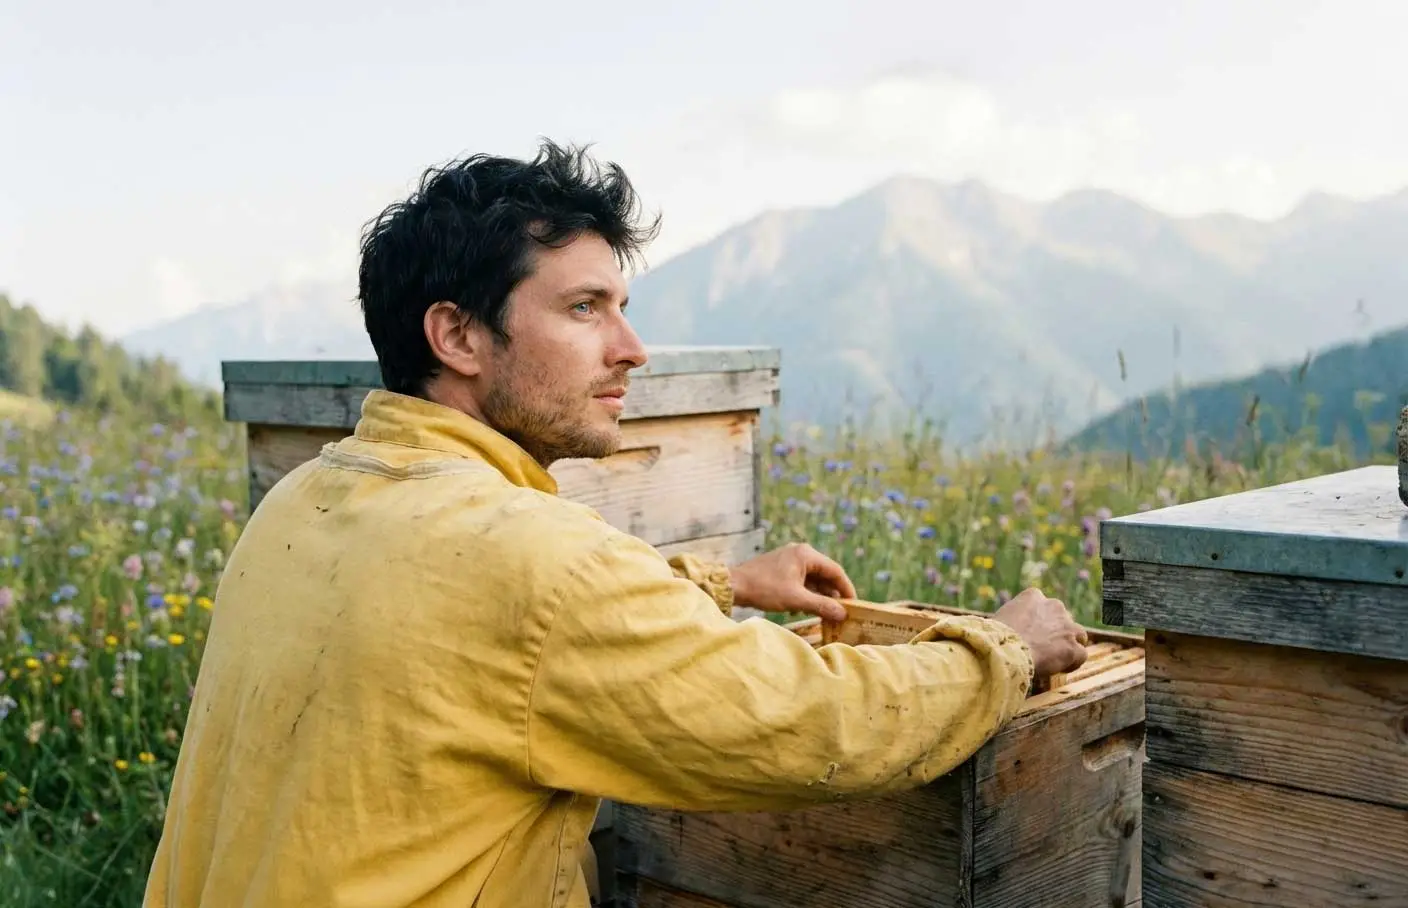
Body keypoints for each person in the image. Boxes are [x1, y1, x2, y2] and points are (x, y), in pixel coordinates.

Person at [142, 140, 1089, 907]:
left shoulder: (307, 499)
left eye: (622, 307)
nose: (631, 349)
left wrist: (725, 585)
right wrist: (999, 649)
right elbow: (810, 723)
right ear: (458, 336)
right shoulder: (530, 564)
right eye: (585, 308)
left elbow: (471, 640)